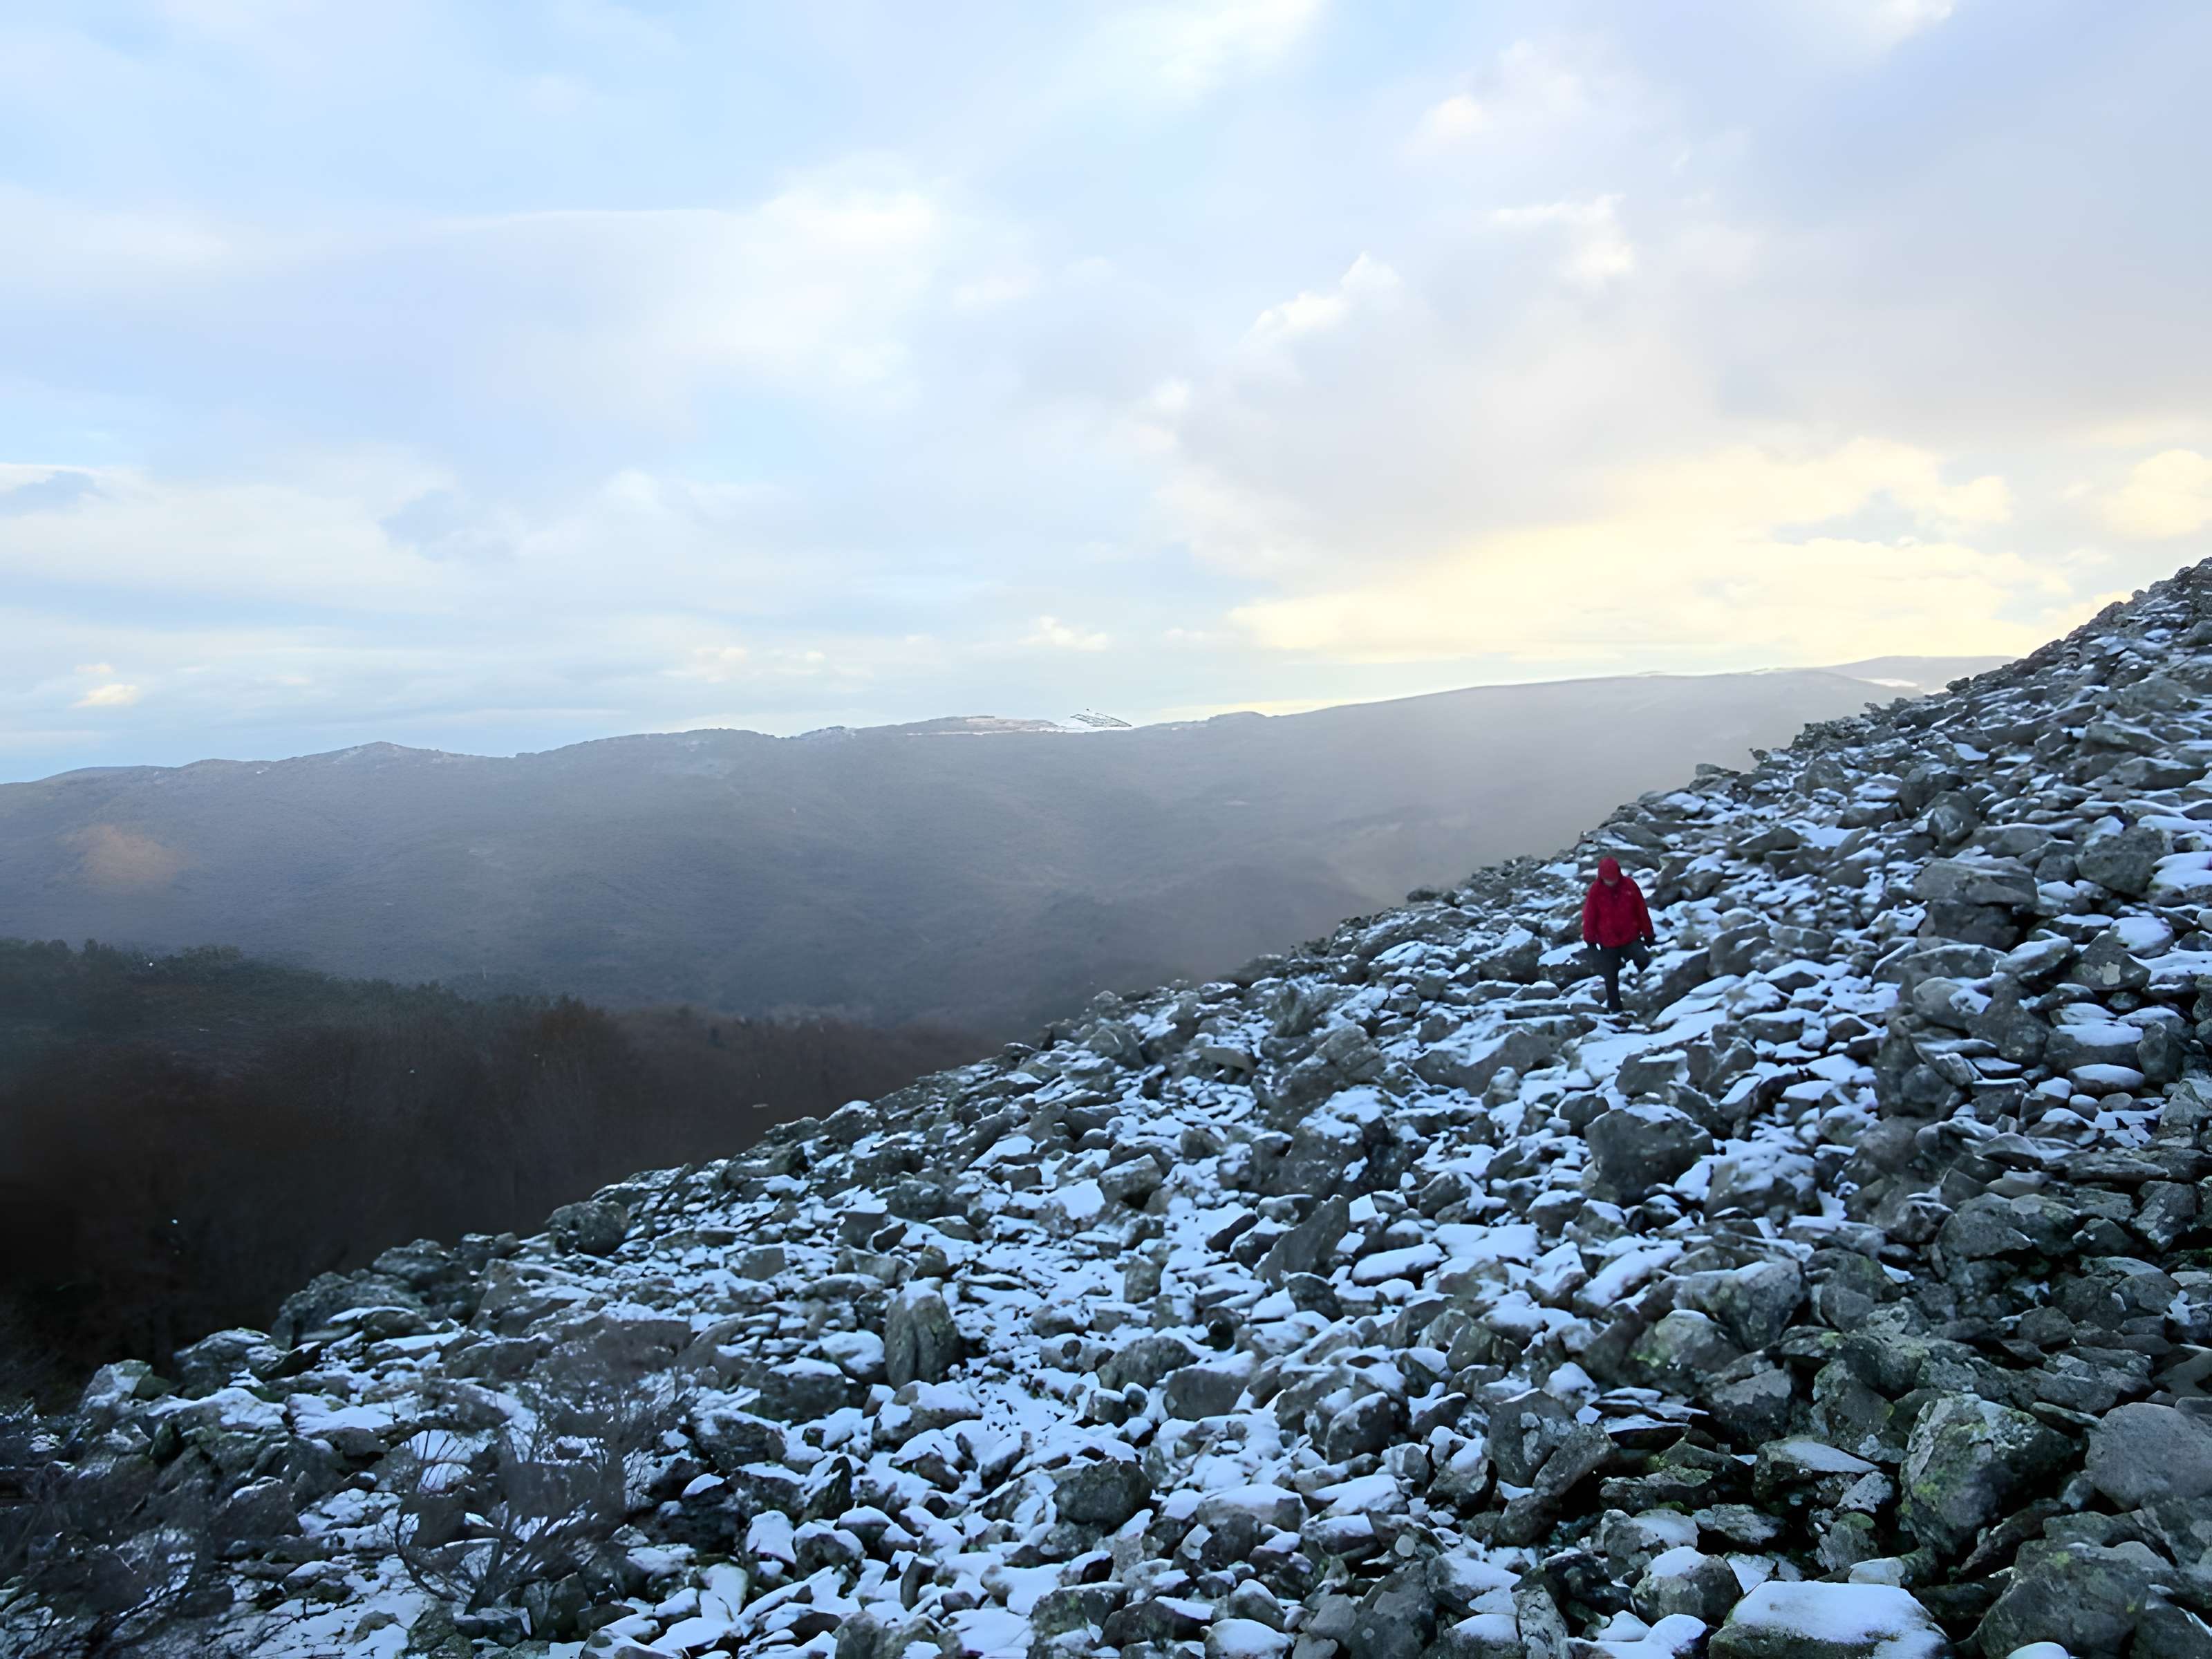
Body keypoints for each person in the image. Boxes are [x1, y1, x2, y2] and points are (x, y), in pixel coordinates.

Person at [1582, 855, 1656, 1015]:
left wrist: (1648, 933)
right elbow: (1590, 916)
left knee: (1644, 961)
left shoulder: (1629, 885)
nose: (1611, 882)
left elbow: (1641, 911)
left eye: (1613, 879)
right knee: (1610, 977)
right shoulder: (1596, 891)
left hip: (1631, 937)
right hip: (1608, 942)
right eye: (1608, 879)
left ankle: (1652, 995)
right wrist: (1590, 942)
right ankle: (1615, 1010)